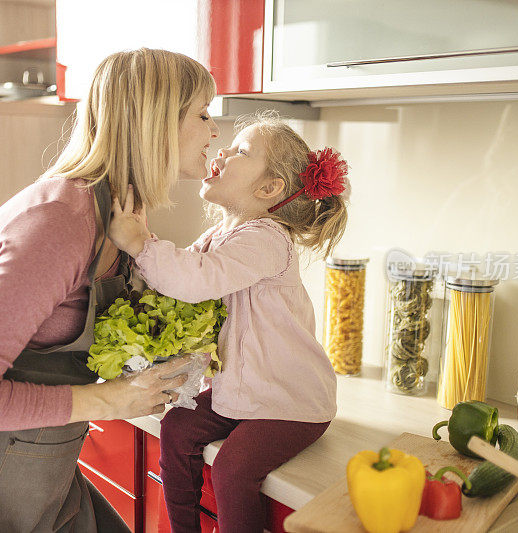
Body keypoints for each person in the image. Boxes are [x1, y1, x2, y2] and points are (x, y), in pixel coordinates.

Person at [0, 48, 219, 532]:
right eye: (203, 113)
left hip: (19, 457)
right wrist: (112, 400)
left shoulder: (122, 214)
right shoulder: (59, 225)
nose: (215, 130)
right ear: (157, 121)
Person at [108, 111, 349, 532]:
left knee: (233, 471)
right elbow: (178, 278)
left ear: (268, 188)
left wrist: (139, 243)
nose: (223, 150)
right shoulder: (222, 234)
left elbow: (197, 279)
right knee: (177, 428)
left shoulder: (268, 239)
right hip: (239, 391)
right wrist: (142, 247)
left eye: (241, 151)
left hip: (289, 402)